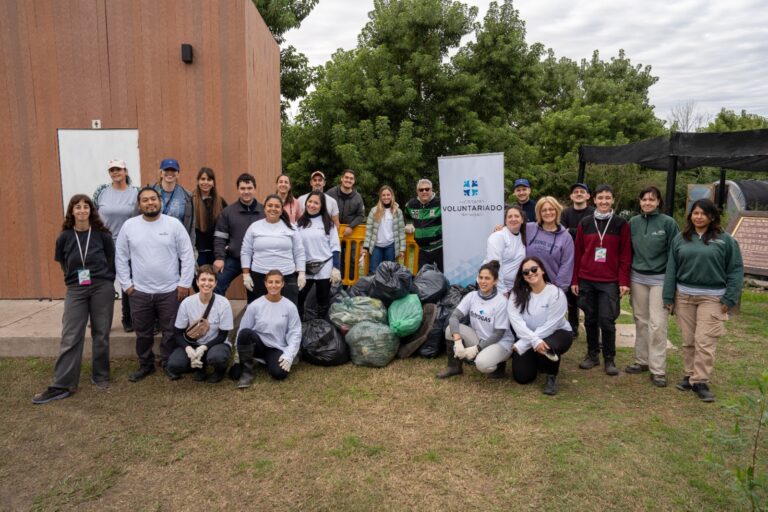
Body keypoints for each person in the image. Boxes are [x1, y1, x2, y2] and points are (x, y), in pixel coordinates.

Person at [32, 195, 116, 404]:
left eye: (85, 206)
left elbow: (110, 259)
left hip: (101, 287)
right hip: (76, 289)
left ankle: (101, 375)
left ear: (91, 210)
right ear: (71, 211)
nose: (81, 210)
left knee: (101, 333)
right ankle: (63, 384)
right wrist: (73, 278)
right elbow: (62, 262)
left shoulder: (102, 235)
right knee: (71, 335)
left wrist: (106, 280)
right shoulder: (64, 237)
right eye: (77, 207)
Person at [663, 198, 743, 402]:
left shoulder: (725, 240)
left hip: (712, 297)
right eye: (695, 213)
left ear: (712, 216)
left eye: (703, 213)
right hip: (684, 296)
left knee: (705, 341)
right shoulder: (681, 238)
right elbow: (672, 268)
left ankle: (700, 381)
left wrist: (730, 297)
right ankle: (690, 375)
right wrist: (668, 295)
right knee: (689, 341)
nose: (698, 217)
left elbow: (735, 270)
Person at [116, 187, 195, 382]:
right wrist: (127, 285)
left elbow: (187, 255)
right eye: (145, 200)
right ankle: (146, 364)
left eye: (153, 199)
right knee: (143, 332)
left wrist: (184, 283)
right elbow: (121, 257)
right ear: (139, 204)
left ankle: (168, 363)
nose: (150, 203)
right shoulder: (129, 226)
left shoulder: (174, 225)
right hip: (140, 291)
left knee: (169, 331)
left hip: (170, 290)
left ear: (159, 201)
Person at [571, 184, 631, 376]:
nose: (604, 201)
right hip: (586, 278)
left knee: (606, 320)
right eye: (600, 198)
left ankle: (609, 359)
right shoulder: (585, 223)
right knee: (590, 319)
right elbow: (578, 253)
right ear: (594, 200)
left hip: (609, 281)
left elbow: (625, 255)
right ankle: (592, 355)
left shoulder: (621, 224)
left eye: (608, 198)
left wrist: (623, 281)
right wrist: (575, 280)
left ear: (612, 200)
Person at [626, 186, 679, 387]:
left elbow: (675, 254)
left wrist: (672, 284)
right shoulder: (633, 223)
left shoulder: (668, 223)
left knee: (657, 323)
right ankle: (641, 360)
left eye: (652, 199)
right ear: (639, 202)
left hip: (660, 278)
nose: (647, 203)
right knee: (641, 320)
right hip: (638, 277)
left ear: (658, 202)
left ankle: (658, 369)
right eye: (644, 199)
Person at [437, 261, 514, 380]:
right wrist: (457, 341)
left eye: (487, 278)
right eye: (481, 277)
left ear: (495, 281)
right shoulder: (472, 296)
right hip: (480, 339)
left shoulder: (501, 302)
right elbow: (454, 317)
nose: (483, 281)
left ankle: (499, 366)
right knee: (449, 330)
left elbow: (499, 334)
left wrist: (476, 349)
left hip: (500, 343)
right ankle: (454, 367)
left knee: (481, 363)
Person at [508, 257, 573, 395]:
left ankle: (551, 376)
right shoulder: (516, 293)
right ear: (523, 277)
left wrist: (523, 344)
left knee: (547, 345)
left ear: (542, 270)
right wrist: (533, 340)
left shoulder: (556, 293)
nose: (530, 273)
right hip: (530, 336)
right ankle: (538, 360)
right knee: (522, 377)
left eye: (534, 269)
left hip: (557, 333)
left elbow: (551, 325)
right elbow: (516, 321)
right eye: (526, 272)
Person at [166, 265, 234, 383]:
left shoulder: (223, 303)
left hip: (215, 344)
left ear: (216, 283)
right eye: (203, 280)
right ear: (197, 282)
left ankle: (219, 370)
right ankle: (198, 365)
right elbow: (177, 333)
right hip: (193, 344)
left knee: (218, 357)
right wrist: (187, 348)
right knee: (174, 365)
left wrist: (204, 347)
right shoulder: (187, 303)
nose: (206, 283)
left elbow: (223, 335)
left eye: (210, 280)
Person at [93, 158, 138, 333]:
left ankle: (128, 319)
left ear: (126, 171)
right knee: (104, 283)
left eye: (119, 169)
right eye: (112, 170)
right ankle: (100, 319)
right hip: (105, 245)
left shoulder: (136, 192)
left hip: (129, 245)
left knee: (128, 283)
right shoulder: (101, 192)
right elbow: (92, 214)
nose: (115, 173)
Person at [235, 270, 302, 387]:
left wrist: (289, 355)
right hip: (257, 345)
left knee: (279, 374)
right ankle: (246, 372)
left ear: (282, 284)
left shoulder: (290, 307)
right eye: (270, 282)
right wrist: (237, 353)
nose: (273, 285)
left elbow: (295, 333)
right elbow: (243, 329)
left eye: (277, 282)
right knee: (245, 333)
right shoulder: (255, 305)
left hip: (276, 348)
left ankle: (267, 361)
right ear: (265, 284)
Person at [241, 194, 306, 305]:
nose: (273, 208)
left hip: (286, 276)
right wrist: (246, 274)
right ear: (264, 208)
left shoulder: (291, 228)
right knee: (259, 311)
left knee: (288, 310)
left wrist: (301, 273)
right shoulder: (254, 227)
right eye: (270, 205)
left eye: (277, 206)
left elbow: (299, 252)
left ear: (281, 210)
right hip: (259, 276)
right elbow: (246, 251)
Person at [212, 173, 264, 296]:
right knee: (217, 283)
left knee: (256, 293)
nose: (246, 192)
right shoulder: (228, 212)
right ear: (238, 190)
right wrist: (219, 258)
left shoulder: (264, 211)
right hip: (234, 259)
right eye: (242, 188)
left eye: (249, 188)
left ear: (255, 189)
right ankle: (218, 313)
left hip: (257, 260)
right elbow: (220, 237)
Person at [297, 191, 342, 319]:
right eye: (310, 202)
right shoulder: (299, 223)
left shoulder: (329, 224)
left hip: (325, 267)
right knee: (300, 297)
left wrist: (336, 268)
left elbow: (335, 246)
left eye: (316, 203)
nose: (312, 205)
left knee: (322, 299)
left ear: (321, 206)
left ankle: (321, 326)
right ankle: (300, 324)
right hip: (305, 268)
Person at [560, 183, 595, 337]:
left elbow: (592, 233)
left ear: (588, 196)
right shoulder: (565, 213)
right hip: (570, 258)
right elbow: (563, 232)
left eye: (582, 191)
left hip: (589, 259)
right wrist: (581, 230)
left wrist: (573, 231)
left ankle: (593, 331)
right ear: (571, 196)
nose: (579, 194)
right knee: (571, 299)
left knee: (589, 300)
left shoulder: (594, 212)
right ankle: (573, 328)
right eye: (575, 192)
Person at [525, 197, 574, 293]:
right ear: (539, 213)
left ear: (557, 211)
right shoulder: (529, 228)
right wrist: (499, 230)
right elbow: (511, 232)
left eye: (551, 209)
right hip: (527, 286)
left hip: (551, 289)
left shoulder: (565, 237)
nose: (548, 213)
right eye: (544, 210)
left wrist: (558, 291)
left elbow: (566, 265)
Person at [326, 169, 365, 280]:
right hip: (333, 232)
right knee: (334, 257)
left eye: (351, 178)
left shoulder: (358, 197)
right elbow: (324, 211)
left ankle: (349, 284)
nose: (348, 180)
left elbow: (361, 215)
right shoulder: (330, 193)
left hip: (350, 234)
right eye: (346, 177)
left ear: (354, 181)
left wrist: (351, 226)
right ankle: (333, 282)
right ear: (342, 178)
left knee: (351, 259)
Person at [362, 185, 406, 275]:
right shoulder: (374, 211)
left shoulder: (398, 211)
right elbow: (369, 230)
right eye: (384, 195)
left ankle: (388, 289)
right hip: (376, 247)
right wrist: (366, 247)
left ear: (392, 196)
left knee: (390, 272)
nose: (386, 197)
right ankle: (375, 289)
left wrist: (402, 249)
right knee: (373, 271)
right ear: (380, 197)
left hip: (390, 246)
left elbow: (401, 231)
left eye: (388, 195)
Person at [484, 205, 527, 296]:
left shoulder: (522, 236)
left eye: (516, 216)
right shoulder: (499, 236)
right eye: (509, 216)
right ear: (505, 220)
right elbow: (494, 266)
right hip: (494, 287)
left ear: (522, 220)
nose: (513, 219)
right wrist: (502, 291)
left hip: (513, 287)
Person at [152, 158, 195, 243]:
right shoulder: (150, 192)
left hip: (177, 242)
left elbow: (191, 226)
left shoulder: (187, 196)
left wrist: (191, 247)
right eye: (166, 170)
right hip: (153, 241)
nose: (170, 173)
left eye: (173, 170)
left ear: (178, 174)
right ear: (161, 173)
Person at [405, 178, 443, 271]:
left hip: (439, 248)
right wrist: (409, 224)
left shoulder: (441, 203)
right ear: (417, 191)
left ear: (432, 190)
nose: (424, 191)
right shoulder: (411, 204)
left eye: (427, 189)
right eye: (421, 190)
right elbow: (407, 215)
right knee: (423, 278)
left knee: (440, 277)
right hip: (423, 250)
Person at [192, 167, 227, 266]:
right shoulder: (191, 200)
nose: (206, 182)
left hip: (215, 251)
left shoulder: (220, 201)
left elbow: (227, 224)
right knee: (199, 280)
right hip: (198, 251)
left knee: (214, 279)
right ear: (198, 181)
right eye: (203, 179)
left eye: (209, 179)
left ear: (213, 183)